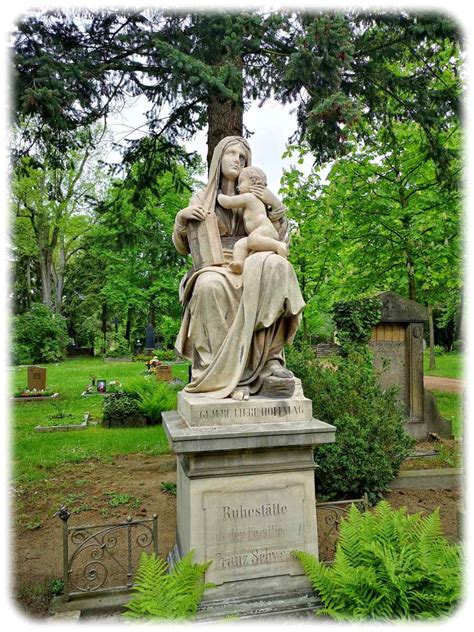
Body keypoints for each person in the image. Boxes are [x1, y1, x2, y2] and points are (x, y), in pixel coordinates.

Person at [172, 136, 304, 400]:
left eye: (242, 156)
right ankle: (220, 373)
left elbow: (275, 236)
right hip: (216, 264)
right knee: (209, 285)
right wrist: (181, 220)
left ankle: (270, 362)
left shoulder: (255, 195)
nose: (237, 159)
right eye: (231, 153)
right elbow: (184, 247)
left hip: (253, 256)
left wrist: (276, 206)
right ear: (218, 160)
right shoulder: (202, 197)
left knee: (278, 267)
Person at [217, 166, 288, 274]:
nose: (237, 186)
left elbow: (228, 202)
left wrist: (218, 195)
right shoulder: (257, 201)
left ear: (253, 182)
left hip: (264, 230)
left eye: (241, 182)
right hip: (258, 232)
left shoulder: (249, 197)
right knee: (240, 244)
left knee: (252, 240)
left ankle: (278, 246)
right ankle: (239, 263)